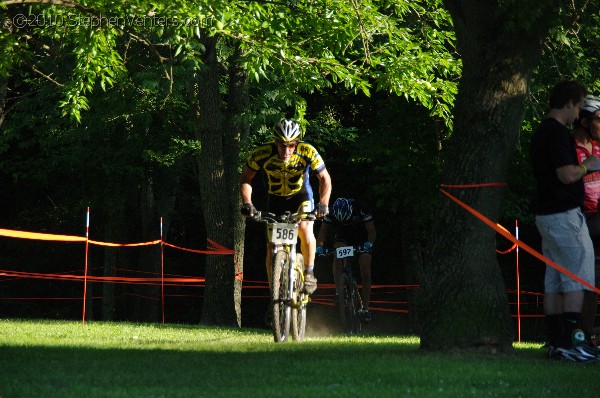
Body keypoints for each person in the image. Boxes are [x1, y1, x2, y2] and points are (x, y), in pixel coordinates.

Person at [531, 80, 600, 362]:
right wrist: (588, 165)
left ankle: (557, 342)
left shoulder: (541, 132)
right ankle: (574, 344)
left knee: (554, 281)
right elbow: (566, 175)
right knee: (575, 279)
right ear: (570, 103)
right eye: (579, 105)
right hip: (563, 216)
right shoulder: (558, 133)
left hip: (546, 216)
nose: (578, 114)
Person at [240, 118, 332, 301]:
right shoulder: (262, 153)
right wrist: (248, 203)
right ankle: (274, 293)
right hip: (275, 200)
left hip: (301, 197)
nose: (286, 150)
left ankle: (309, 272)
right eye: (282, 145)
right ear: (275, 142)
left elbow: (324, 178)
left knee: (305, 229)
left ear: (297, 143)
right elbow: (245, 178)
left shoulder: (307, 151)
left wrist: (323, 203)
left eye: (291, 145)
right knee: (272, 247)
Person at [316, 198, 376, 323]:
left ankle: (365, 308)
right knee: (337, 253)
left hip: (361, 236)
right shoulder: (331, 211)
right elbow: (322, 231)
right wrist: (319, 247)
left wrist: (369, 243)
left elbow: (371, 231)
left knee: (365, 268)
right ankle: (339, 291)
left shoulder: (361, 208)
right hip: (343, 235)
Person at [572, 95, 600, 345]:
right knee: (584, 280)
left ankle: (587, 333)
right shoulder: (571, 148)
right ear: (584, 121)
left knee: (594, 280)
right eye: (599, 119)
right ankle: (578, 333)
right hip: (580, 220)